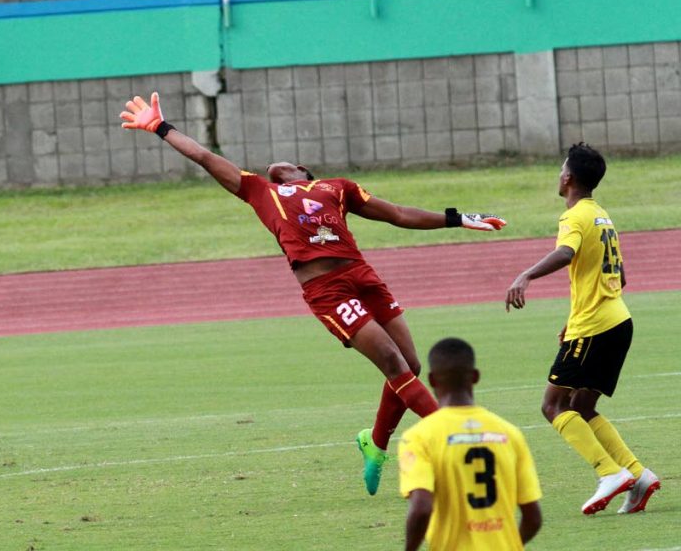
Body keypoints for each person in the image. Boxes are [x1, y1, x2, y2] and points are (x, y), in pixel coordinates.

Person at [120, 92, 507, 495]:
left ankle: (374, 444)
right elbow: (203, 157)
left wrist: (459, 218)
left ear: (303, 171)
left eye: (286, 164)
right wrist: (161, 128)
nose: (276, 166)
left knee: (410, 362)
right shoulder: (260, 191)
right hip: (326, 289)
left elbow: (397, 214)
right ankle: (453, 442)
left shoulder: (337, 189)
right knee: (394, 363)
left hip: (362, 275)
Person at [505, 142, 660, 515]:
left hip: (595, 327)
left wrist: (525, 275)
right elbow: (617, 277)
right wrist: (573, 321)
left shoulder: (574, 217)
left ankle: (609, 472)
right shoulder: (602, 216)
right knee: (581, 404)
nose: (558, 174)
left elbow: (566, 253)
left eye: (561, 169)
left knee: (552, 404)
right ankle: (638, 476)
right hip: (617, 321)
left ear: (568, 178)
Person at [399, 337, 542, 551]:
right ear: (475, 377)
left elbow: (421, 508)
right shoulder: (510, 434)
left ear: (431, 380)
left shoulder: (418, 437)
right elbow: (533, 518)